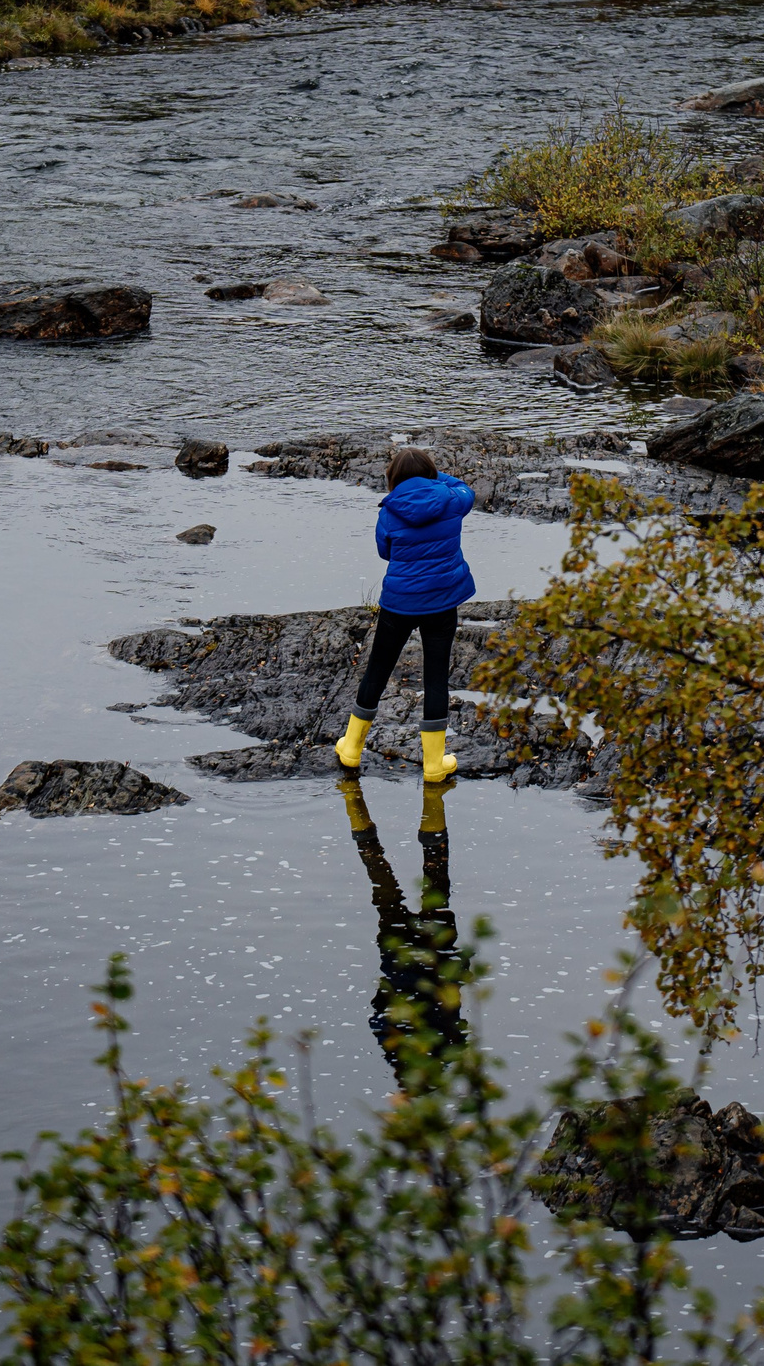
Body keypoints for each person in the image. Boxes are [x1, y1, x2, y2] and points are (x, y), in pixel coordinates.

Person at [334, 447, 475, 784]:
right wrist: (434, 480)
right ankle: (434, 764)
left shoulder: (389, 510)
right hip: (442, 602)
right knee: (437, 678)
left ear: (393, 478)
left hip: (400, 603)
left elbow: (385, 552)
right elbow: (466, 489)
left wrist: (408, 488)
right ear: (432, 474)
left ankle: (351, 748)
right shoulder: (451, 500)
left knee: (377, 672)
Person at [338, 776, 470, 1090]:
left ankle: (430, 805)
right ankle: (357, 810)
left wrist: (460, 967)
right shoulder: (398, 1050)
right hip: (401, 958)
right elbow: (378, 1012)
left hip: (430, 956)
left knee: (435, 881)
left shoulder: (442, 1052)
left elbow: (456, 1011)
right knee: (385, 888)